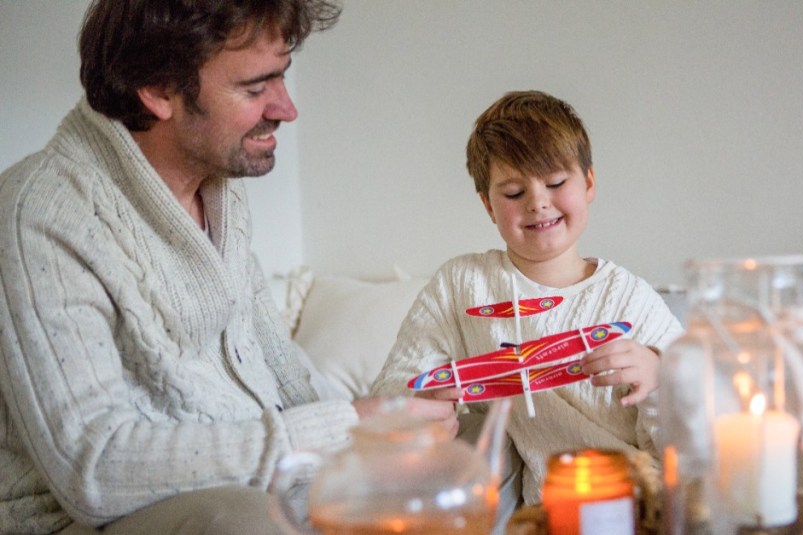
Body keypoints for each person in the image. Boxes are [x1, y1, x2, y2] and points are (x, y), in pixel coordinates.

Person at [0, 2, 457, 534]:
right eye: (255, 88)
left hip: (254, 483)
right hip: (104, 519)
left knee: (461, 450)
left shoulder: (216, 184)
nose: (286, 109)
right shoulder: (41, 214)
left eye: (282, 78)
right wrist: (345, 426)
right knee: (244, 524)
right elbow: (94, 468)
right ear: (158, 90)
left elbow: (278, 365)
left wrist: (382, 429)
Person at [369, 90, 685, 510]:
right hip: (544, 513)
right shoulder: (460, 286)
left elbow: (696, 438)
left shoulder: (632, 300)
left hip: (642, 505)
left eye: (556, 183)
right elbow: (394, 392)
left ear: (588, 183)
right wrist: (420, 408)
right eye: (514, 193)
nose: (538, 202)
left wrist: (658, 378)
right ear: (488, 206)